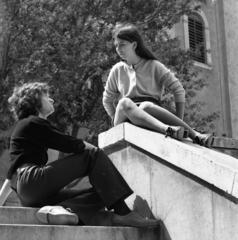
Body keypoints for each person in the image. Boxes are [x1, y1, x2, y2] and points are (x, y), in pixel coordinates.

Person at [0, 82, 159, 228]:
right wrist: (97, 156)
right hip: (31, 182)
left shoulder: (26, 128)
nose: (52, 99)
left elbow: (10, 177)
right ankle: (123, 213)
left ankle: (63, 210)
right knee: (93, 154)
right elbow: (70, 144)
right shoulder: (31, 122)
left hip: (28, 195)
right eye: (46, 96)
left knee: (104, 190)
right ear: (34, 100)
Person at [103, 23, 214, 147]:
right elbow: (107, 100)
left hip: (149, 114)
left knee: (146, 106)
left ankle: (195, 135)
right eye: (116, 46)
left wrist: (179, 119)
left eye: (122, 45)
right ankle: (167, 129)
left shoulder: (154, 66)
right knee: (124, 103)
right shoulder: (117, 70)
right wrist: (115, 120)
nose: (118, 49)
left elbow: (178, 90)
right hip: (125, 117)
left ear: (134, 45)